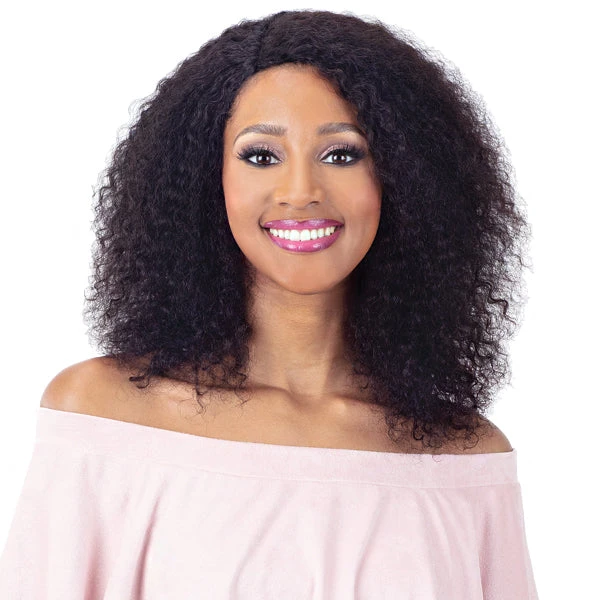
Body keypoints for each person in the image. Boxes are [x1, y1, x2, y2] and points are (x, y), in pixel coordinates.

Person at [0, 9, 538, 598]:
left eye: (342, 154)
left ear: (406, 178)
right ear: (207, 179)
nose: (300, 192)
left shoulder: (466, 462)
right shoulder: (102, 420)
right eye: (261, 156)